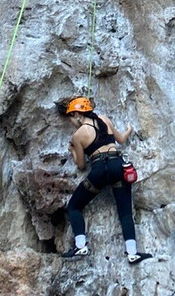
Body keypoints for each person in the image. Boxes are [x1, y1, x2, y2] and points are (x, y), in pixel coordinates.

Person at [60, 96, 151, 263]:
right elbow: (121, 140)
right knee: (125, 212)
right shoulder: (104, 119)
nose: (71, 122)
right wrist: (129, 130)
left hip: (99, 170)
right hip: (118, 165)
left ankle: (81, 246)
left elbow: (81, 165)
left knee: (74, 206)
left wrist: (73, 150)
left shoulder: (78, 135)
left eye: (71, 118)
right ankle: (132, 253)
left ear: (77, 114)